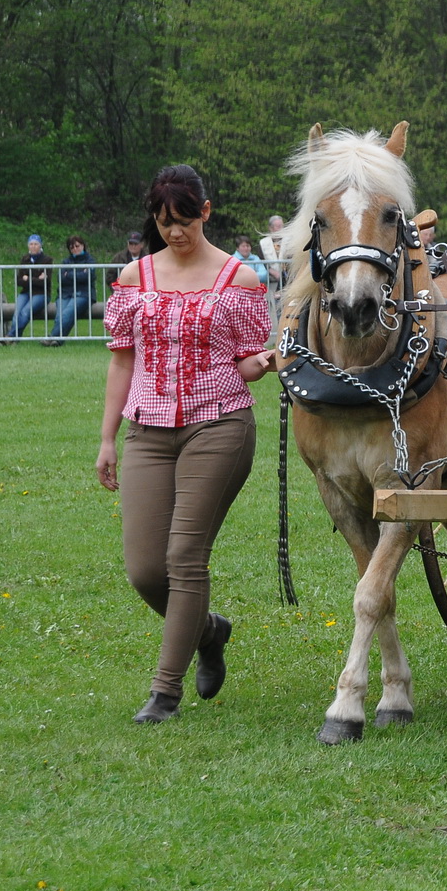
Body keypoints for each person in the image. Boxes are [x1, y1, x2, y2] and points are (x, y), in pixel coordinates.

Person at [96, 165, 273, 724]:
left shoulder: (239, 280)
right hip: (147, 429)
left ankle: (164, 692)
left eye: (184, 220)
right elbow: (123, 359)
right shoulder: (134, 278)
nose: (174, 232)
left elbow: (244, 361)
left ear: (206, 211)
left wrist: (260, 364)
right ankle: (208, 630)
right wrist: (107, 438)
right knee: (146, 570)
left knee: (184, 557)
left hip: (218, 424)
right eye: (163, 221)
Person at [49, 235, 97, 345]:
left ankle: (51, 337)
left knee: (67, 313)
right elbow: (60, 278)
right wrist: (78, 274)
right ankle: (57, 341)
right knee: (59, 317)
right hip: (65, 294)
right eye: (72, 247)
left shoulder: (90, 261)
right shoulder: (65, 261)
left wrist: (69, 274)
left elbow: (88, 277)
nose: (75, 249)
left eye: (77, 246)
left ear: (83, 246)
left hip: (84, 294)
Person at [5, 234, 54, 339]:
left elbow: (45, 282)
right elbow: (19, 281)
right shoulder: (25, 259)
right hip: (26, 292)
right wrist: (36, 278)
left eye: (36, 244)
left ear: (40, 245)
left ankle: (11, 336)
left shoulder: (47, 260)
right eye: (31, 244)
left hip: (41, 294)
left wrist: (28, 278)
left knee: (25, 312)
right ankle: (14, 338)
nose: (33, 246)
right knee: (16, 314)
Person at [256, 216, 286, 292]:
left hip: (287, 278)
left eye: (282, 226)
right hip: (271, 280)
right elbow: (261, 260)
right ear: (271, 228)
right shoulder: (263, 243)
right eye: (278, 226)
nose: (281, 229)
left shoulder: (289, 240)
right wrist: (272, 271)